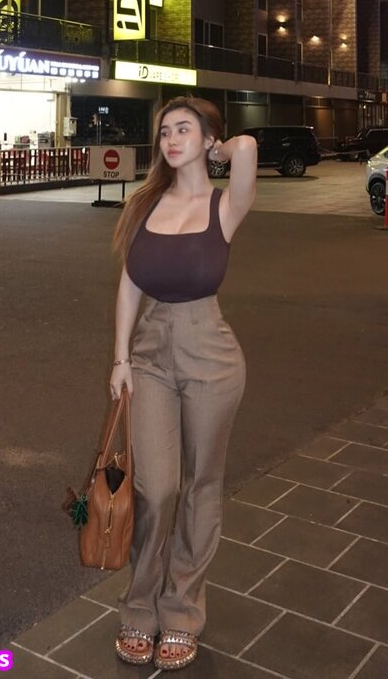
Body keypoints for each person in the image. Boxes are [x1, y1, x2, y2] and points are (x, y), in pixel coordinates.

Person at [109, 96, 257, 671]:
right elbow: (129, 284)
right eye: (165, 131)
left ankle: (182, 612)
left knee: (201, 486)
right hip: (149, 352)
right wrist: (120, 359)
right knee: (156, 488)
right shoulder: (145, 202)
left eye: (183, 129)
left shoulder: (225, 206)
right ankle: (139, 606)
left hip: (210, 354)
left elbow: (248, 147)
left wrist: (223, 147)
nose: (170, 140)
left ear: (208, 139)